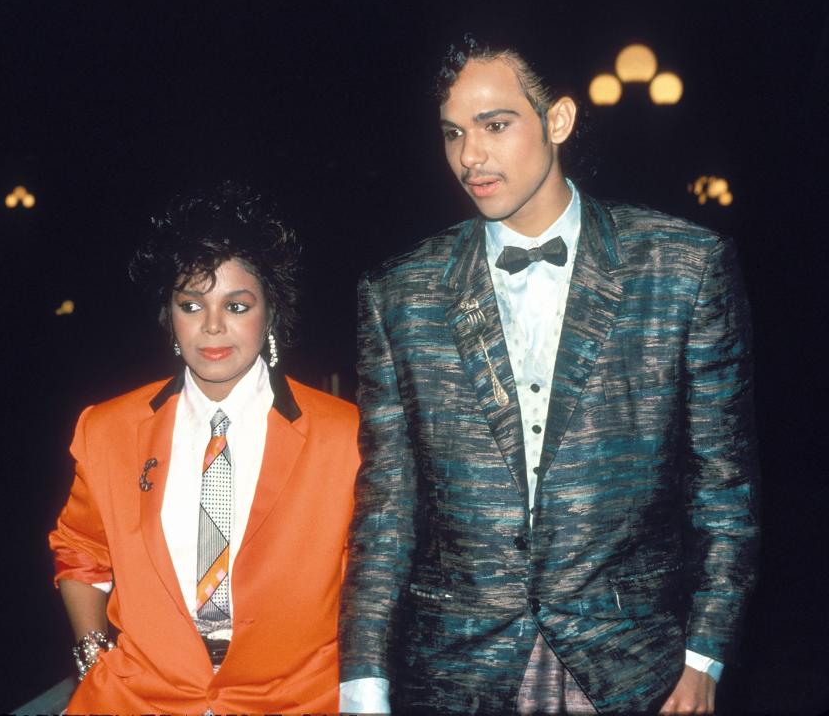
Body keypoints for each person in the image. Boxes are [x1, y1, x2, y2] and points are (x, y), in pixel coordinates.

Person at [339, 35, 758, 715]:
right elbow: (385, 509)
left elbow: (723, 489)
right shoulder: (400, 292)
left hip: (633, 666)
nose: (469, 156)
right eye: (453, 134)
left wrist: (704, 656)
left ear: (557, 121)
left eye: (495, 126)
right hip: (456, 674)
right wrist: (362, 681)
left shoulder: (683, 267)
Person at [49, 182, 359, 713]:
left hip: (298, 701)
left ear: (270, 315)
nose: (212, 326)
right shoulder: (107, 430)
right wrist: (92, 647)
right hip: (139, 698)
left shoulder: (346, 436)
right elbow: (80, 553)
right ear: (170, 319)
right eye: (191, 305)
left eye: (237, 305)